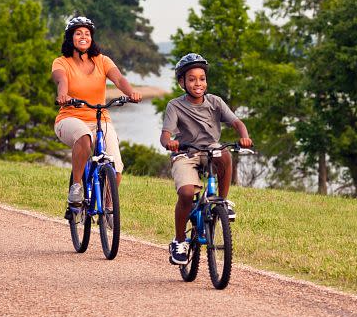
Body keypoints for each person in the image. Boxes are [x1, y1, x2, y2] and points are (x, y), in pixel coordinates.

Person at [161, 52, 252, 265]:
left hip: (210, 149)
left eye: (202, 78)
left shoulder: (215, 102)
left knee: (224, 153)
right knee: (185, 193)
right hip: (185, 152)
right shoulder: (175, 105)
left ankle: (222, 200)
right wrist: (170, 142)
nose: (198, 83)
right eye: (191, 79)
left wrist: (244, 137)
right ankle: (180, 241)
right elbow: (165, 134)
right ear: (182, 82)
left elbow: (237, 122)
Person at [51, 16, 141, 206]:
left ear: (92, 38)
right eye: (78, 33)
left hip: (101, 119)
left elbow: (119, 80)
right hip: (70, 118)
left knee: (116, 168)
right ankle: (76, 186)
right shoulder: (61, 62)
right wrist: (63, 95)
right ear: (70, 38)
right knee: (84, 137)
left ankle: (108, 208)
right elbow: (62, 80)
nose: (83, 37)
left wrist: (131, 92)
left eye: (87, 33)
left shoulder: (103, 61)